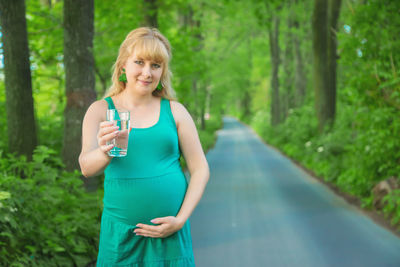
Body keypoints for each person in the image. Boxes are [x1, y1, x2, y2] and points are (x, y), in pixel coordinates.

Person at [79, 27, 210, 266]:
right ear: (123, 66)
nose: (147, 72)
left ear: (163, 71)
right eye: (139, 62)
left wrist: (180, 220)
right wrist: (105, 150)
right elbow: (87, 168)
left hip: (169, 234)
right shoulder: (100, 110)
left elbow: (200, 168)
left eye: (156, 65)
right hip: (121, 238)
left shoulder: (175, 111)